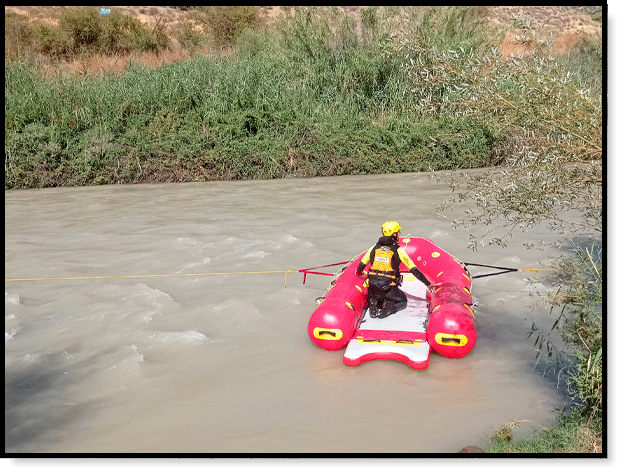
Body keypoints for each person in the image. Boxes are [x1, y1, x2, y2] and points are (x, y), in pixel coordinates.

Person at [355, 221, 430, 319]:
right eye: (398, 232)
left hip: (373, 287)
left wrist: (358, 273)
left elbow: (361, 264)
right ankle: (388, 309)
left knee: (378, 296)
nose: (399, 234)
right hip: (387, 288)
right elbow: (414, 269)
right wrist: (428, 284)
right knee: (402, 301)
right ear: (394, 234)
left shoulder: (374, 247)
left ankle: (374, 304)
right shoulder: (398, 250)